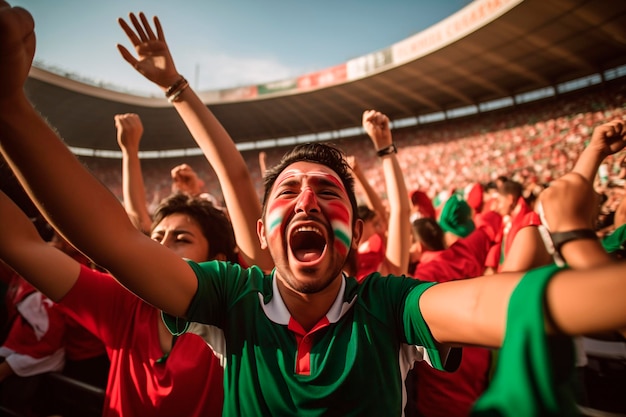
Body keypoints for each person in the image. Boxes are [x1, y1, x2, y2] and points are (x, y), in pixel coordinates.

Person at [2, 5, 626, 416]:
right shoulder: (230, 301)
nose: (305, 198)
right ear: (259, 233)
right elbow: (114, 241)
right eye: (288, 191)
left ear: (354, 233)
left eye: (328, 192)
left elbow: (507, 305)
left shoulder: (390, 307)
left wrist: (571, 236)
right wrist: (9, 108)